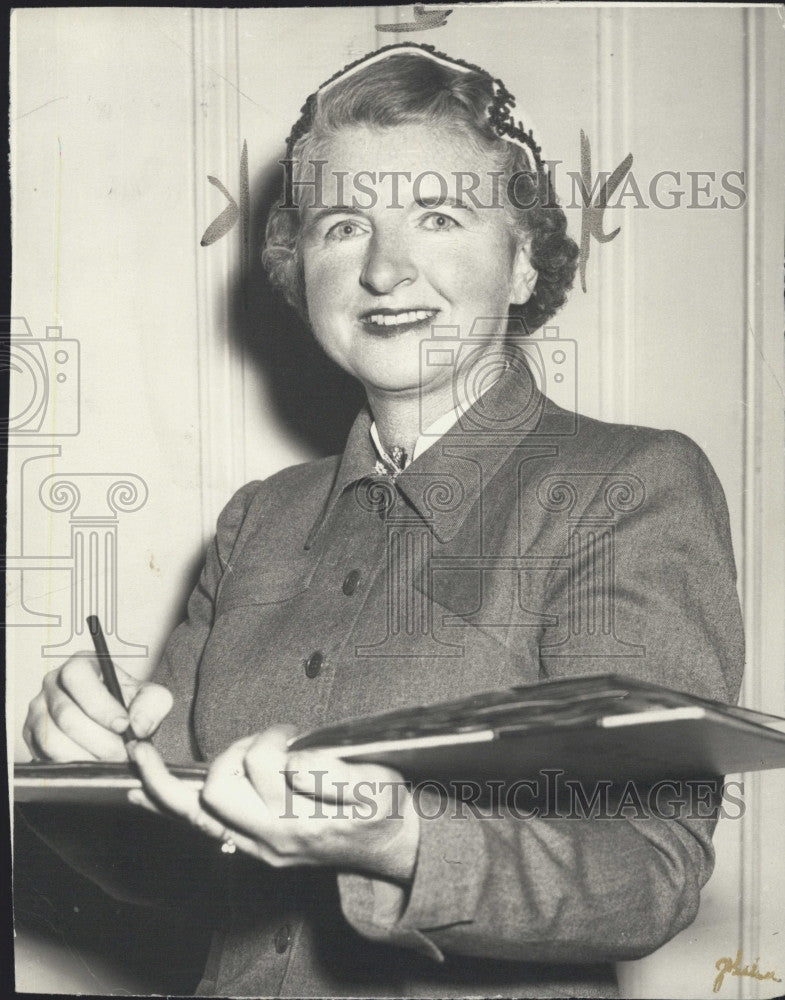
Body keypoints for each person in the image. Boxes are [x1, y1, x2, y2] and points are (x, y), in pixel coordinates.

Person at [22, 43, 744, 998]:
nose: (385, 269)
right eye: (343, 224)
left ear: (524, 260)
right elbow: (182, 879)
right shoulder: (259, 522)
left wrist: (401, 841)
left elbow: (647, 873)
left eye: (438, 215)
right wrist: (100, 785)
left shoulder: (627, 483)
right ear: (299, 269)